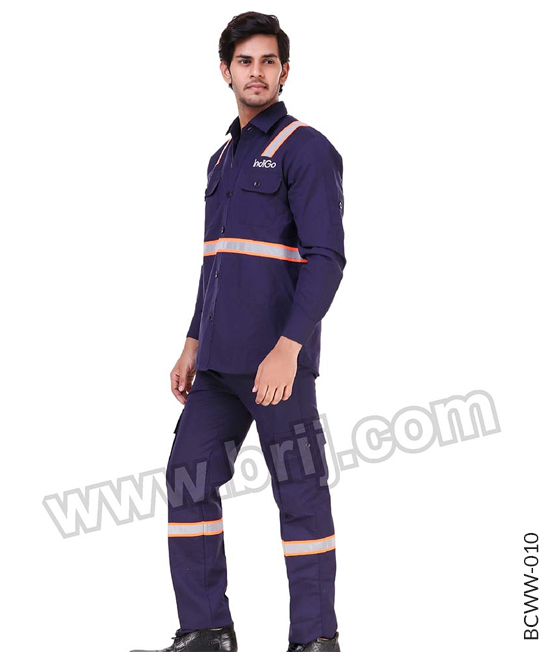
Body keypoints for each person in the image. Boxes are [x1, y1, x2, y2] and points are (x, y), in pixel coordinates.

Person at [130, 11, 346, 652]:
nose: (257, 72)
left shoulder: (308, 149)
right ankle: (206, 631)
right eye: (245, 62)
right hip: (218, 365)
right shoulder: (221, 159)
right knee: (188, 480)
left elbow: (328, 259)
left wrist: (290, 346)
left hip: (277, 364)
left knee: (299, 493)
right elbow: (216, 261)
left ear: (285, 71)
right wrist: (192, 341)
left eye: (268, 61)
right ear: (225, 71)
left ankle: (315, 640)